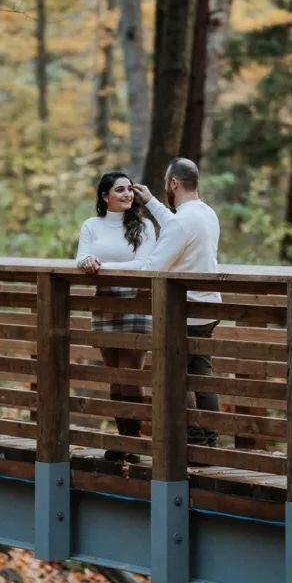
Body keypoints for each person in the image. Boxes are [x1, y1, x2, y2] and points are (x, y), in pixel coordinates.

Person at [134, 159, 222, 448]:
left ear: (174, 183)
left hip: (185, 311)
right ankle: (211, 438)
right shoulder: (206, 213)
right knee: (202, 373)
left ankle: (194, 440)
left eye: (164, 182)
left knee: (176, 374)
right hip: (208, 307)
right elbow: (176, 226)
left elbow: (153, 268)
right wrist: (151, 202)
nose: (163, 187)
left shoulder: (181, 222)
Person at [76, 171, 156, 462]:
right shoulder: (91, 225)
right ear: (104, 195)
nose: (127, 194)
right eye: (120, 190)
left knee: (130, 373)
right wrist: (87, 261)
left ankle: (132, 443)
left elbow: (146, 263)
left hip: (135, 301)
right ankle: (121, 442)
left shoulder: (144, 226)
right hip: (105, 302)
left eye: (130, 190)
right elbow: (81, 256)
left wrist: (105, 266)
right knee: (114, 375)